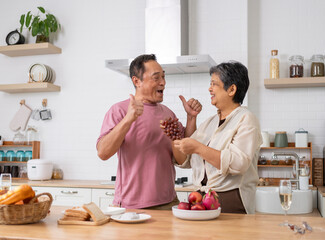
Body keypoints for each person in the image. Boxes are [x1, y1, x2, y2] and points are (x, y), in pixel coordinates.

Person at [96, 54, 202, 210]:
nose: (163, 83)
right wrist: (128, 119)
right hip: (131, 206)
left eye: (164, 77)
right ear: (136, 81)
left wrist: (191, 118)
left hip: (168, 202)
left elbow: (185, 155)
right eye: (156, 78)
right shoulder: (119, 110)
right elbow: (102, 152)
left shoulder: (168, 114)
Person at [170, 61, 262, 214]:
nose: (209, 88)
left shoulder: (246, 119)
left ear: (231, 89)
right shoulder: (210, 122)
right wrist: (191, 119)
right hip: (200, 198)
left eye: (214, 84)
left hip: (230, 200)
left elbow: (238, 164)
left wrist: (198, 148)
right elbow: (186, 160)